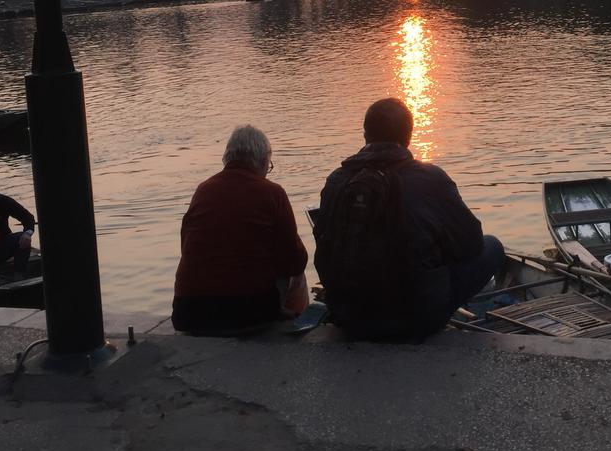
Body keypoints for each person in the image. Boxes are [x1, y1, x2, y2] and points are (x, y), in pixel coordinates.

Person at [314, 97, 504, 342]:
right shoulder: (431, 179)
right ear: (408, 136)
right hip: (414, 320)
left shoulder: (337, 180)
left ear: (365, 135)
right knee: (493, 247)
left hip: (349, 317)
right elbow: (472, 244)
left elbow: (323, 246)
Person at [172, 125, 309, 335]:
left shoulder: (203, 190)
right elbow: (295, 260)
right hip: (247, 314)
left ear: (227, 158)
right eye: (269, 165)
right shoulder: (272, 193)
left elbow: (186, 246)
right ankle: (297, 323)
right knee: (298, 275)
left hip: (189, 313)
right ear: (263, 161)